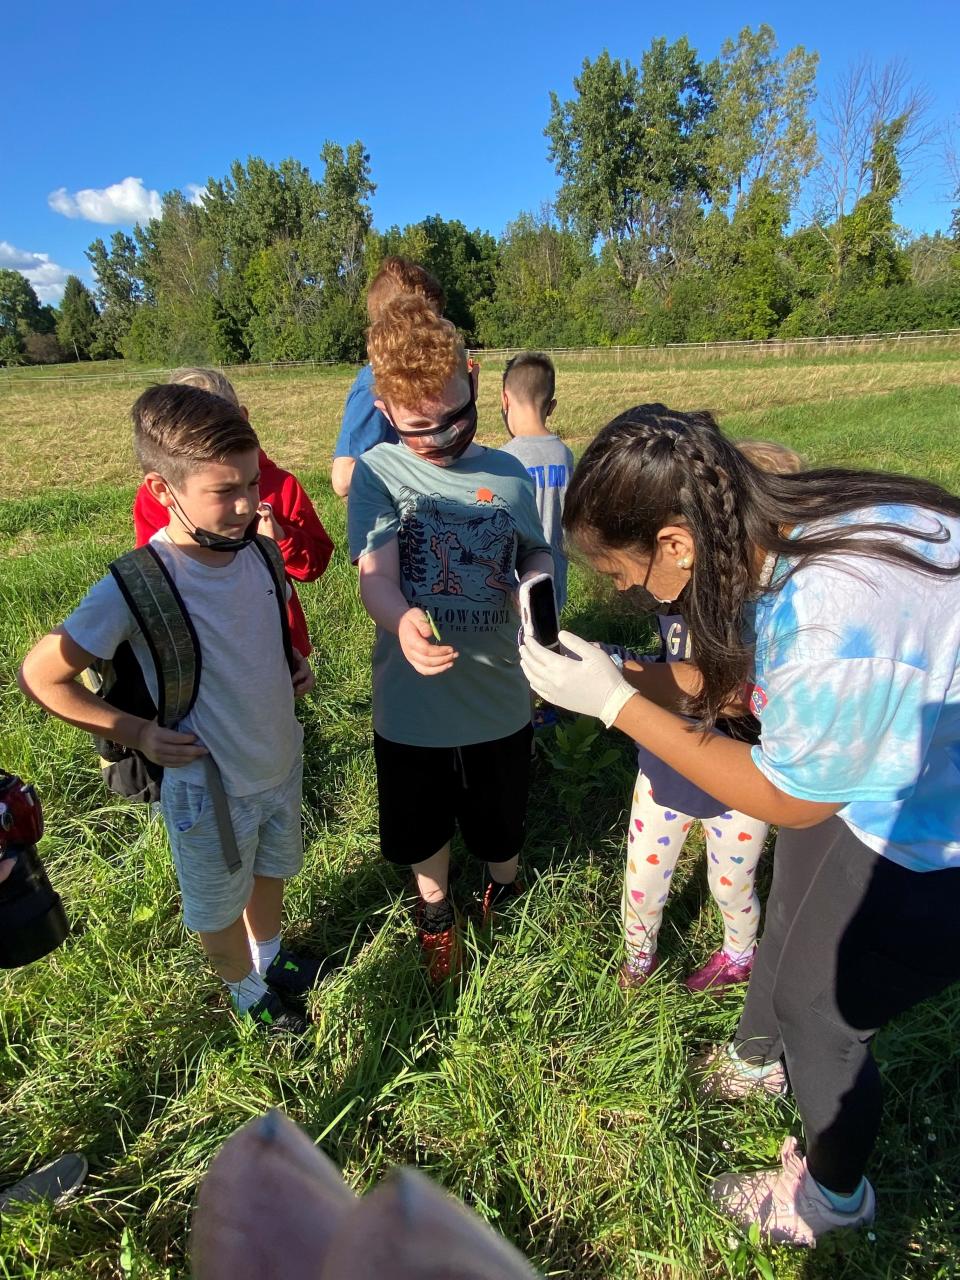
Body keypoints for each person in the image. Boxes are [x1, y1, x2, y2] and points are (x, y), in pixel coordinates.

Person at [518, 403, 960, 1246]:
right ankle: (759, 1063)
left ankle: (833, 1202)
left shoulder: (832, 616)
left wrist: (615, 708)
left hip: (934, 819)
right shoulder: (785, 530)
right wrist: (623, 672)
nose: (618, 589)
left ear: (676, 543)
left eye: (620, 572)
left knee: (821, 1007)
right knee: (792, 900)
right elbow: (752, 696)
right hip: (889, 765)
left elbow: (790, 796)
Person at [19, 385, 327, 1037]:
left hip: (276, 758)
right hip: (208, 790)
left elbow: (259, 630)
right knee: (219, 907)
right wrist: (135, 732)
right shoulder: (136, 585)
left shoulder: (259, 548)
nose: (248, 504)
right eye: (225, 491)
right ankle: (247, 993)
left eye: (252, 482)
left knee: (272, 871)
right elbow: (41, 675)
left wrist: (288, 665)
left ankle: (270, 959)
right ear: (163, 491)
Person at [348, 296, 553, 982]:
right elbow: (374, 573)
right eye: (416, 428)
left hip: (499, 693)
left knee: (501, 816)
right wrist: (399, 617)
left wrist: (538, 585)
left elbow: (535, 552)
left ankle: (505, 885)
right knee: (422, 826)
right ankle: (436, 913)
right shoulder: (378, 474)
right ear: (383, 404)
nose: (437, 439)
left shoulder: (509, 472)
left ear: (474, 376)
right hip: (413, 704)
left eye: (454, 418)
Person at [607, 439, 802, 994]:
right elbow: (673, 665)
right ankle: (637, 959)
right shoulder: (678, 585)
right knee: (643, 877)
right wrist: (622, 665)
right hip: (666, 762)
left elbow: (733, 691)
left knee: (731, 882)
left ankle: (739, 953)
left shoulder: (775, 610)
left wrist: (620, 682)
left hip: (743, 774)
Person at [132, 367, 333, 657]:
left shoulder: (281, 484)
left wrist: (281, 540)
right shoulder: (161, 496)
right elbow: (152, 575)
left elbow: (314, 565)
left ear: (244, 418)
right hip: (200, 643)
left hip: (274, 641)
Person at [331, 257, 445, 499]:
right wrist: (411, 460)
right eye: (427, 328)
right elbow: (342, 478)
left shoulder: (418, 378)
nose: (436, 337)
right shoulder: (372, 385)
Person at [498, 353, 574, 611]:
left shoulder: (505, 459)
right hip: (555, 574)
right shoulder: (564, 455)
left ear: (505, 400)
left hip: (516, 579)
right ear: (551, 406)